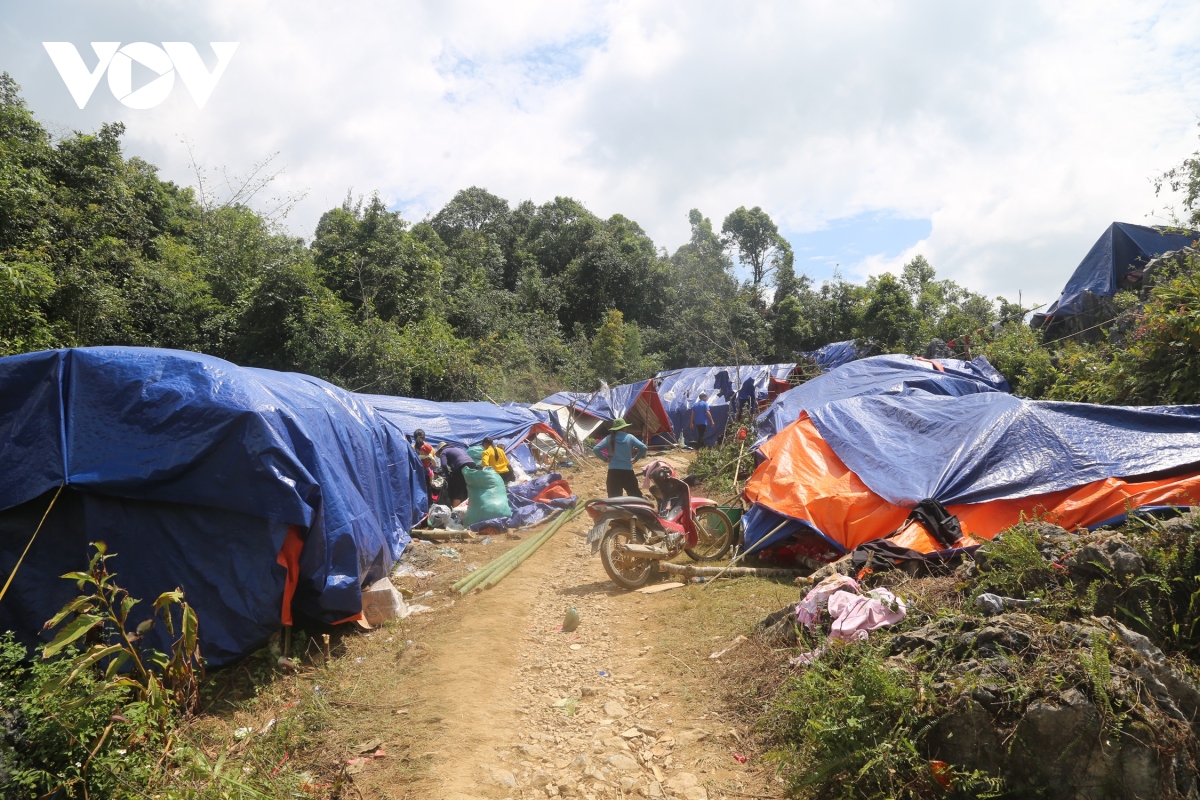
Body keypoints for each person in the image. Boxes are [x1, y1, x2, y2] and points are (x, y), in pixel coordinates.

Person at [592, 417, 648, 498]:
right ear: (624, 428)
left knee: (614, 499)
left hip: (613, 472)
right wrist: (635, 459)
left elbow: (596, 449)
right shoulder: (630, 437)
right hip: (627, 472)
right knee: (635, 496)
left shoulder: (609, 438)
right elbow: (644, 448)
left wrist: (605, 459)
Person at [436, 442, 477, 507]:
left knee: (458, 490)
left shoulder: (443, 451)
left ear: (440, 450)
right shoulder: (458, 449)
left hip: (462, 466)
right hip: (473, 465)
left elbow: (443, 465)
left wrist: (447, 475)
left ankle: (455, 512)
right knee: (468, 488)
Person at [412, 429, 436, 496]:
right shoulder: (430, 448)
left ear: (414, 438)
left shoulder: (412, 448)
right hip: (427, 475)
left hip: (415, 475)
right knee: (426, 493)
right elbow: (433, 465)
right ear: (424, 438)